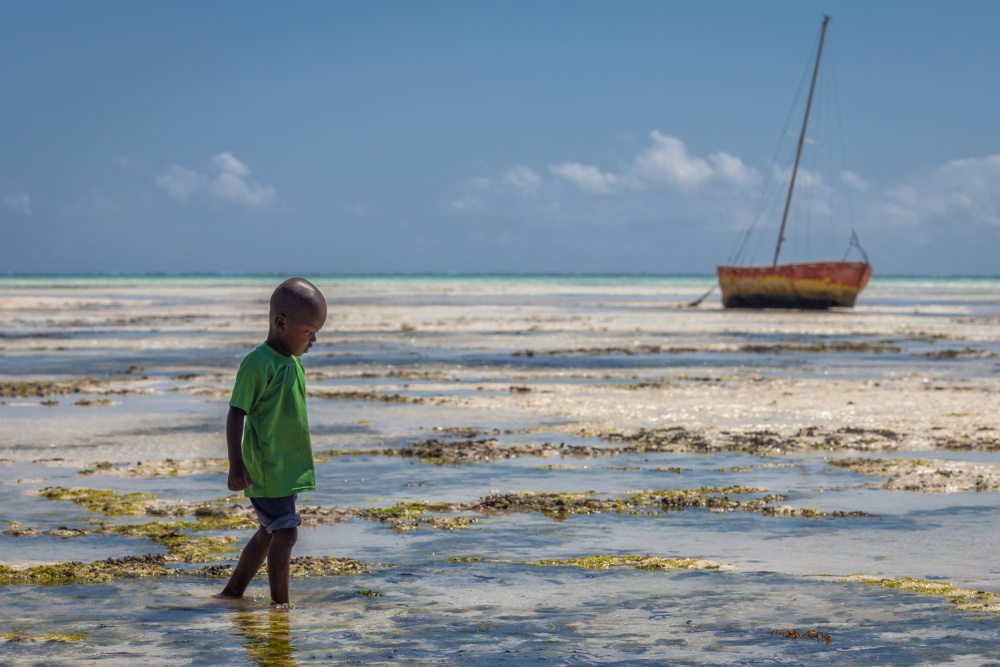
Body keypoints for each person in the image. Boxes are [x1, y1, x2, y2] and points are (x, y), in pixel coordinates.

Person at [215, 277, 327, 606]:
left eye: (316, 332)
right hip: (265, 469)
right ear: (281, 323)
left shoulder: (292, 364)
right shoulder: (258, 364)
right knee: (286, 532)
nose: (314, 340)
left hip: (285, 469)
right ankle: (281, 608)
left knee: (268, 531)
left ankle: (232, 593)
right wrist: (236, 464)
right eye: (309, 332)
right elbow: (237, 413)